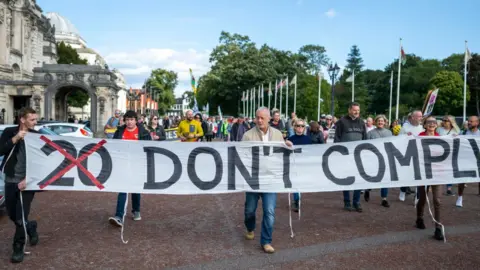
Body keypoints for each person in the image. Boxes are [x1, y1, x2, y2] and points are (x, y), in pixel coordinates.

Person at [242, 107, 292, 254]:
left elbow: (281, 154)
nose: (259, 120)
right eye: (257, 117)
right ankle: (250, 227)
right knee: (249, 211)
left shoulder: (277, 134)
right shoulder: (248, 135)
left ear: (269, 118)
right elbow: (242, 156)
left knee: (269, 211)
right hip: (253, 179)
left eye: (262, 118)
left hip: (270, 179)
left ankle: (266, 241)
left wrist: (288, 147)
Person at [0, 107, 39, 263]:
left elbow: (42, 162)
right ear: (22, 119)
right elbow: (1, 150)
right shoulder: (10, 132)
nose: (35, 122)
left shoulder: (37, 136)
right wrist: (15, 139)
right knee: (12, 214)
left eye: (36, 119)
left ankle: (18, 248)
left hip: (27, 183)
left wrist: (28, 179)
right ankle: (31, 227)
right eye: (32, 120)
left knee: (21, 216)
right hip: (11, 179)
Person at [109, 110, 151, 227]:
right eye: (127, 120)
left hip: (137, 164)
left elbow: (150, 147)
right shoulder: (119, 132)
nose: (129, 122)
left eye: (131, 119)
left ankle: (136, 210)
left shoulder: (143, 132)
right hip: (123, 164)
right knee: (123, 188)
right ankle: (119, 215)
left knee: (135, 189)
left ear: (136, 121)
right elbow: (113, 146)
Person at [334, 102, 367, 212]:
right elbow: (337, 139)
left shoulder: (362, 122)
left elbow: (365, 139)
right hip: (345, 156)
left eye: (358, 110)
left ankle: (356, 202)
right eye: (354, 110)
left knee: (358, 179)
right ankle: (347, 202)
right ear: (349, 110)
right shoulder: (342, 122)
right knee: (346, 179)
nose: (356, 112)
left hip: (358, 156)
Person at [415, 116, 444, 241]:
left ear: (436, 125)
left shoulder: (442, 138)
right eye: (429, 122)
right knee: (422, 198)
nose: (432, 124)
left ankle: (438, 227)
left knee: (437, 200)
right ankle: (419, 218)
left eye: (434, 122)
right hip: (423, 172)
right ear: (425, 125)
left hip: (437, 173)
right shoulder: (419, 136)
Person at [365, 114, 392, 207]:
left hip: (385, 158)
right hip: (373, 159)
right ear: (375, 122)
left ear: (385, 122)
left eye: (382, 121)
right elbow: (366, 146)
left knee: (385, 178)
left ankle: (384, 199)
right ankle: (367, 189)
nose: (380, 122)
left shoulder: (389, 133)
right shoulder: (370, 133)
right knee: (372, 177)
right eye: (378, 121)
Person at [286, 118, 313, 212]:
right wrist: (285, 143)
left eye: (302, 126)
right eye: (298, 125)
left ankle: (297, 199)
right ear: (295, 127)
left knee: (300, 183)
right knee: (295, 183)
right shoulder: (290, 139)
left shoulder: (308, 139)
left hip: (303, 164)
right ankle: (297, 201)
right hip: (293, 164)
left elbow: (311, 153)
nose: (300, 127)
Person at [398, 110, 424, 201]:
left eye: (421, 116)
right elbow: (399, 140)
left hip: (419, 154)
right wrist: (405, 136)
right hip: (407, 154)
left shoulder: (422, 128)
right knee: (406, 174)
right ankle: (403, 190)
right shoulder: (405, 127)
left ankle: (417, 195)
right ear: (413, 117)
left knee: (419, 175)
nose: (421, 118)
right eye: (419, 116)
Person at [456, 115, 480, 207]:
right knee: (462, 179)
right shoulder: (463, 132)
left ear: (477, 123)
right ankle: (459, 197)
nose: (469, 123)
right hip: (465, 158)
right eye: (469, 121)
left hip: (477, 158)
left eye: (471, 121)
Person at [437, 115, 460, 196]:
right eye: (443, 120)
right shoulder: (439, 129)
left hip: (450, 153)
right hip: (439, 152)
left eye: (446, 120)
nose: (443, 121)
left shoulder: (456, 130)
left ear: (451, 122)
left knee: (449, 170)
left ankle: (449, 188)